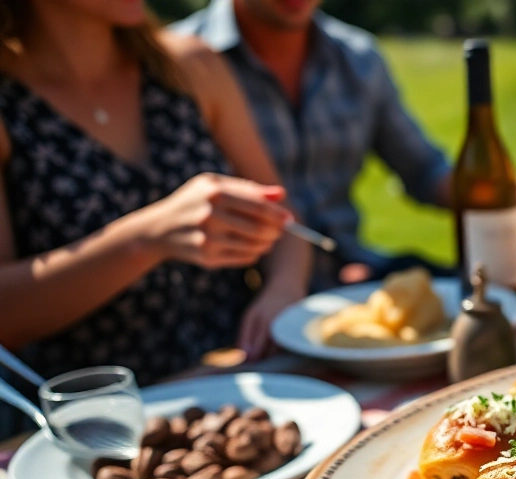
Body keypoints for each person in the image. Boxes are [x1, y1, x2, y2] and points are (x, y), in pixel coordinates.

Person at [0, 0, 310, 435]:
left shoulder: (190, 65)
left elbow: (285, 219)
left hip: (247, 397)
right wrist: (144, 239)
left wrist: (283, 290)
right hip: (103, 434)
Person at [172, 0, 455, 290]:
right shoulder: (177, 63)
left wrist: (492, 197)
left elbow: (423, 168)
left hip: (352, 274)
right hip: (245, 297)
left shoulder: (357, 58)